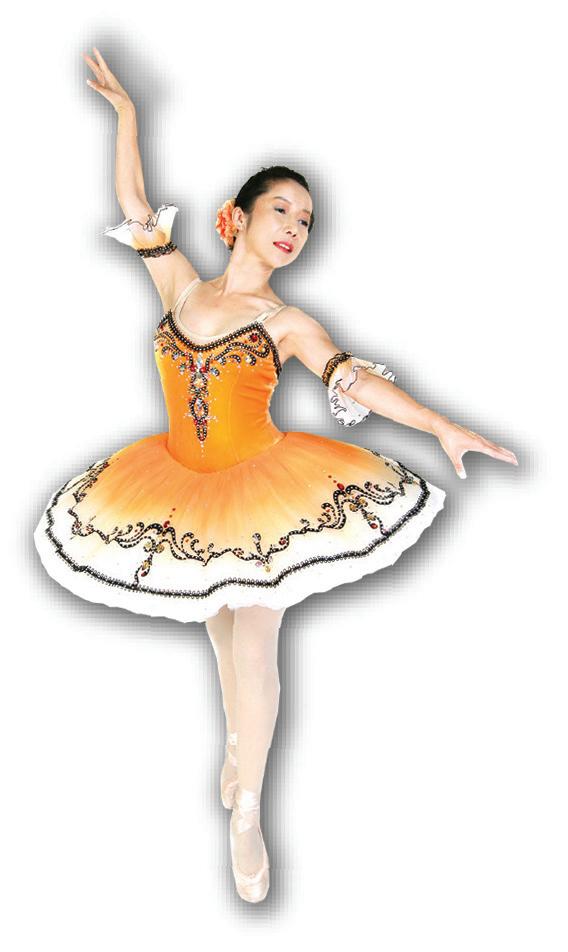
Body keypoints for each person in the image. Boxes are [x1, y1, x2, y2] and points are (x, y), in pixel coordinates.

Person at [33, 47, 518, 903]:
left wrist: (440, 422)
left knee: (254, 642)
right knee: (218, 631)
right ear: (238, 217)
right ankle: (238, 746)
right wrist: (128, 116)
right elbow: (136, 205)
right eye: (282, 209)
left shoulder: (285, 320)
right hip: (178, 485)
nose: (295, 226)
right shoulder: (181, 289)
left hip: (262, 489)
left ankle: (249, 808)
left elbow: (351, 379)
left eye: (307, 220)